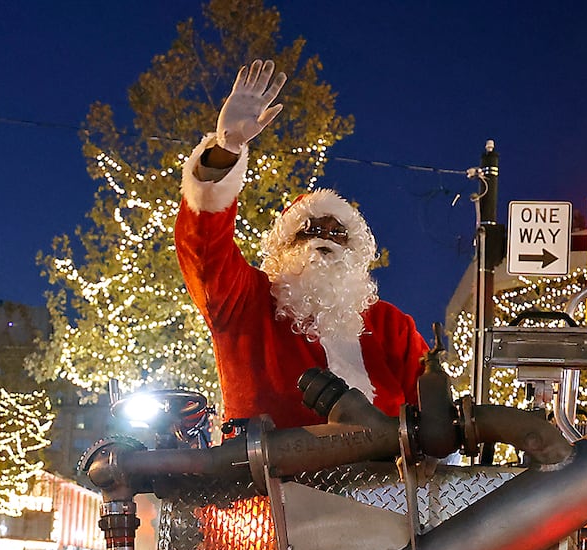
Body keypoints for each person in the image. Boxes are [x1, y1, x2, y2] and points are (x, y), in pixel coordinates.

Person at [175, 60, 427, 428]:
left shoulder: (391, 326)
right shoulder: (246, 302)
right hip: (270, 482)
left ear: (355, 252)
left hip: (383, 484)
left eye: (337, 232)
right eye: (309, 230)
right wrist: (225, 150)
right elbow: (203, 251)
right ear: (284, 246)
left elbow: (429, 410)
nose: (324, 239)